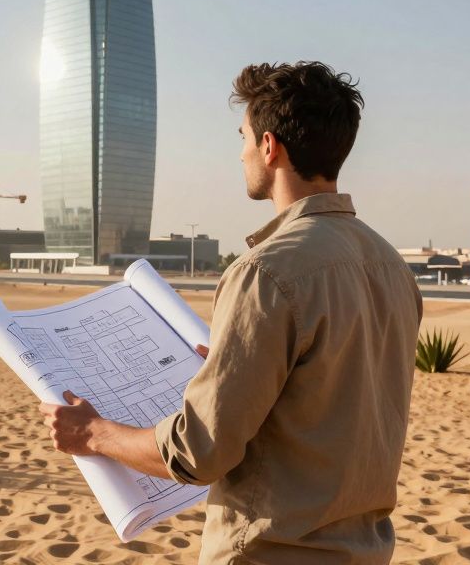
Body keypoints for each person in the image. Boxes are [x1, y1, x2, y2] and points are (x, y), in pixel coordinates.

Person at [40, 61, 422, 564]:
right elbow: (329, 399)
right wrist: (233, 369)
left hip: (268, 552)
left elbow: (198, 453)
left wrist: (93, 432)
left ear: (270, 146)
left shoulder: (266, 272)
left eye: (243, 137)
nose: (241, 153)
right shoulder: (391, 265)